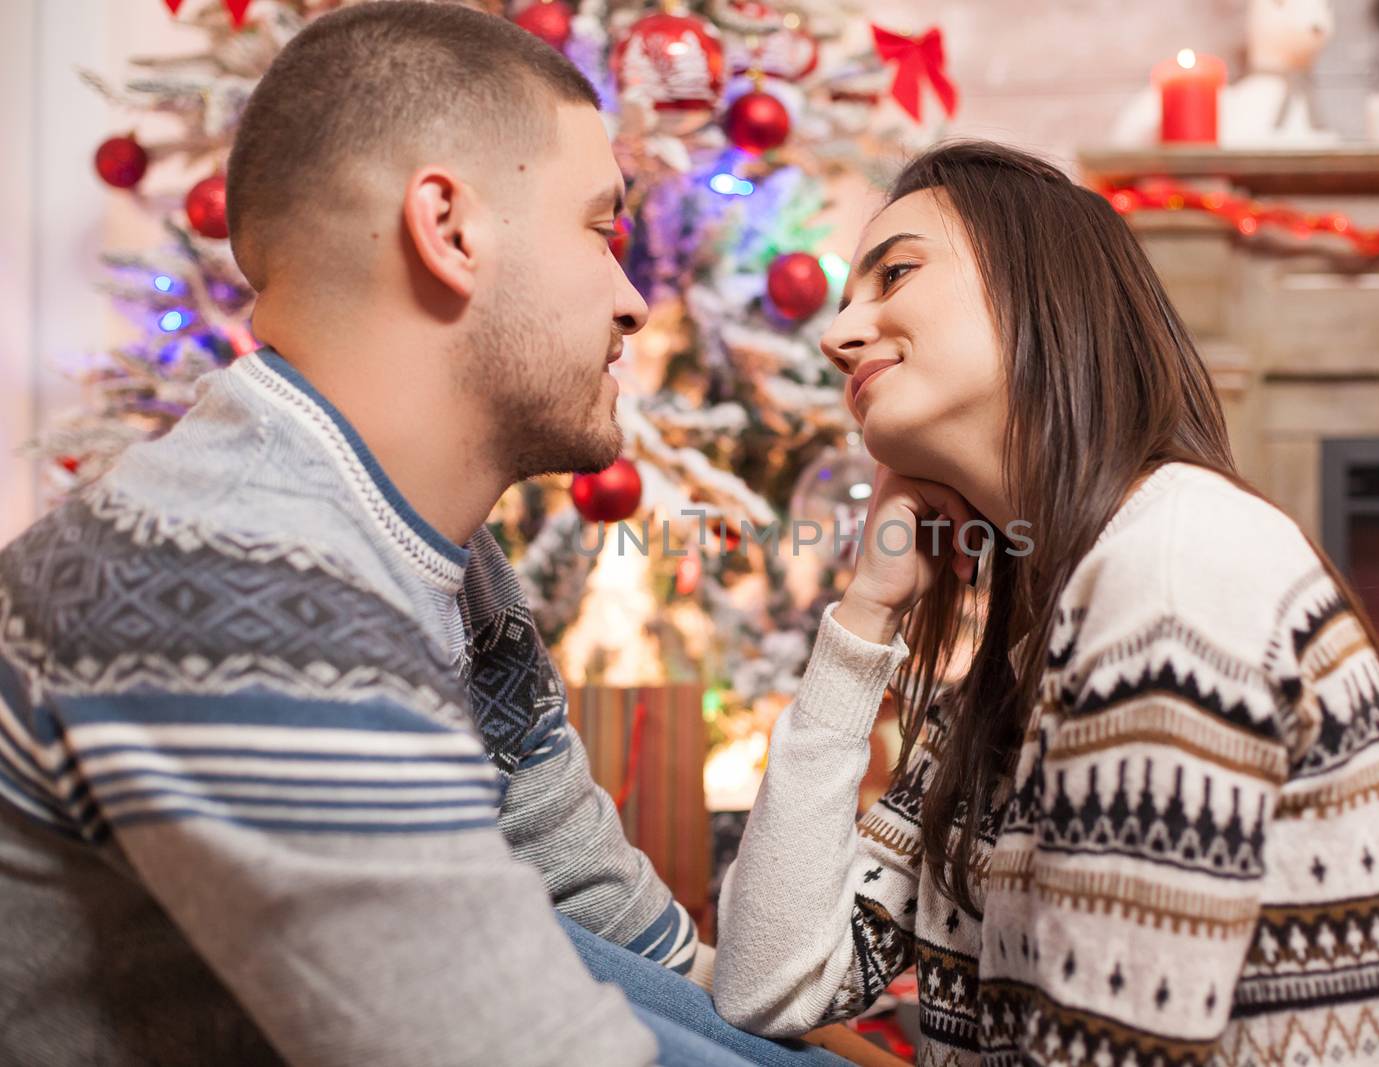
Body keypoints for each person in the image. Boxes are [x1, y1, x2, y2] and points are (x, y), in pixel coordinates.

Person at [0, 5, 842, 1065]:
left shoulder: (432, 558)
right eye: (602, 228)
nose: (634, 302)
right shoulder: (228, 576)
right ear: (448, 228)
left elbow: (619, 937)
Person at [712, 141, 1379, 1066]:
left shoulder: (1173, 571)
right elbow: (770, 981)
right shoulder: (1019, 657)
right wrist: (865, 617)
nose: (836, 338)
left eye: (896, 274)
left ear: (1043, 289)